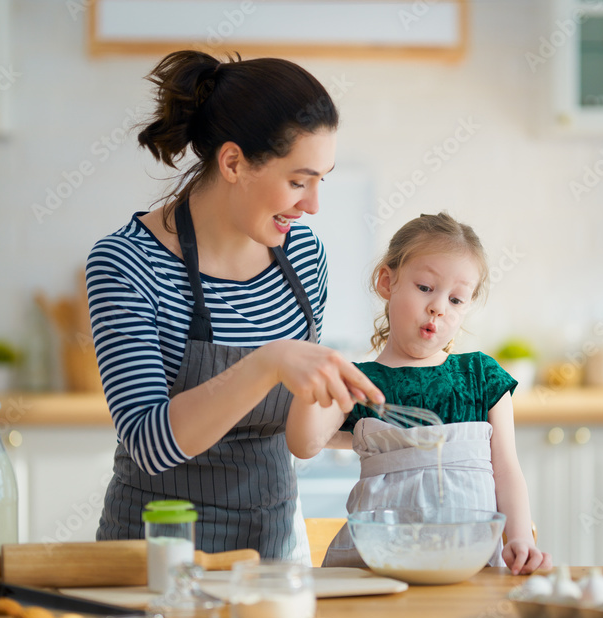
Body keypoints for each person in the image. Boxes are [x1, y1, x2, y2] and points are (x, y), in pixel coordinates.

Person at [86, 50, 383, 561]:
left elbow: (298, 426)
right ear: (232, 162)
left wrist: (391, 429)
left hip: (271, 554)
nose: (312, 205)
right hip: (156, 561)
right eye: (297, 180)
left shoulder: (304, 256)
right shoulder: (128, 263)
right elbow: (151, 443)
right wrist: (267, 363)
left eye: (321, 180)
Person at [286, 212, 551, 575]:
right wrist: (307, 375)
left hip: (468, 568)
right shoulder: (357, 382)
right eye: (425, 287)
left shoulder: (480, 376)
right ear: (386, 281)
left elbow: (506, 469)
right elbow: (305, 444)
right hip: (376, 572)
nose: (438, 307)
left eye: (456, 300)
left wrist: (520, 538)